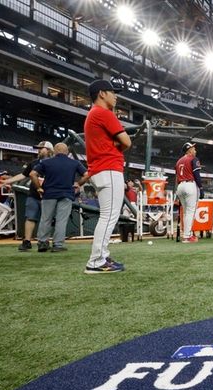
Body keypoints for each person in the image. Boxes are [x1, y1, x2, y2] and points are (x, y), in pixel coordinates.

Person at [84, 79, 131, 274]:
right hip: (109, 168)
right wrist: (117, 146)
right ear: (102, 93)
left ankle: (100, 256)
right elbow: (127, 141)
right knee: (109, 216)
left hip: (100, 169)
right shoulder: (103, 112)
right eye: (113, 92)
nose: (116, 95)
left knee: (107, 216)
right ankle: (96, 261)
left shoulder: (93, 114)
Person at [30, 143, 89, 252]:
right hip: (66, 194)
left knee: (45, 219)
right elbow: (87, 174)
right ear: (67, 152)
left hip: (49, 194)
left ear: (55, 151)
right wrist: (79, 184)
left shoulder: (46, 162)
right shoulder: (74, 163)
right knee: (61, 220)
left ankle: (42, 243)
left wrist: (38, 188)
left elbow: (32, 174)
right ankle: (58, 245)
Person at [0, 141, 54, 251]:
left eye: (41, 148)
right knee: (30, 217)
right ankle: (27, 241)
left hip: (49, 195)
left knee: (46, 219)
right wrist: (8, 181)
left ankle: (43, 241)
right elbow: (23, 175)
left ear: (49, 150)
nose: (38, 150)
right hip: (34, 194)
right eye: (38, 148)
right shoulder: (34, 163)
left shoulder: (54, 163)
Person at [175, 142, 203, 243]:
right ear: (189, 150)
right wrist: (201, 187)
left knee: (186, 212)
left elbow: (176, 177)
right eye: (193, 148)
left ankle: (187, 234)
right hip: (190, 185)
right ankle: (187, 236)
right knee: (190, 212)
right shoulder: (193, 159)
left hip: (180, 186)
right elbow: (196, 174)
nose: (195, 150)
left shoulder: (178, 161)